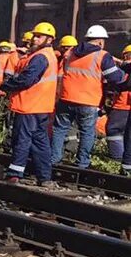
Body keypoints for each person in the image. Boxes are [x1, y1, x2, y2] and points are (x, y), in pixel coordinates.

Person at [52, 25, 129, 169]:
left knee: (60, 129)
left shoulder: (71, 52)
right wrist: (125, 75)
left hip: (66, 97)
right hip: (88, 101)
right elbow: (115, 77)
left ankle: (54, 160)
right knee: (87, 133)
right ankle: (82, 164)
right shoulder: (101, 55)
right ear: (100, 41)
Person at [1, 22, 58, 186]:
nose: (34, 39)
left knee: (22, 139)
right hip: (41, 107)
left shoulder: (40, 57)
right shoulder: (47, 55)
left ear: (49, 39)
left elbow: (27, 80)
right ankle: (44, 177)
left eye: (38, 36)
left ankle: (14, 174)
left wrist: (6, 85)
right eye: (34, 35)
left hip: (29, 106)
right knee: (40, 141)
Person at [105, 44, 131, 174]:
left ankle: (117, 157)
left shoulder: (126, 68)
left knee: (113, 129)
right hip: (123, 104)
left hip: (123, 105)